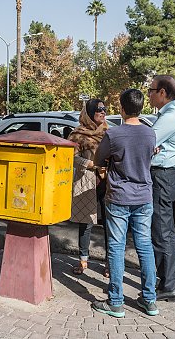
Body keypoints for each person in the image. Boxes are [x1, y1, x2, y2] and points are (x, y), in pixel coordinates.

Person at [92, 89, 159, 318]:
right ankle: (149, 300)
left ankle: (116, 302)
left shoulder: (114, 134)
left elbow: (97, 160)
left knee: (117, 248)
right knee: (145, 246)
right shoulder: (150, 134)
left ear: (121, 108)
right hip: (143, 197)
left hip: (119, 197)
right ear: (141, 108)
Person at [147, 75, 175, 302]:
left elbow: (147, 143)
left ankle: (168, 286)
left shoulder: (170, 117)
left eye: (151, 90)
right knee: (168, 231)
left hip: (162, 178)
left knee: (160, 232)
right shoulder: (172, 116)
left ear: (162, 92)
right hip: (167, 177)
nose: (149, 95)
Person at [68, 99, 110, 277]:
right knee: (85, 223)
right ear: (89, 112)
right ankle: (83, 260)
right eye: (99, 109)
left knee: (110, 224)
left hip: (108, 182)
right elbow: (71, 157)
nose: (103, 112)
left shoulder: (108, 132)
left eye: (104, 109)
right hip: (87, 181)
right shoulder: (77, 134)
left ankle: (110, 262)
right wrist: (90, 163)